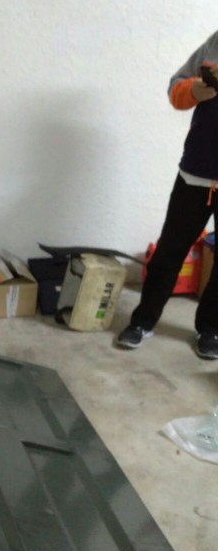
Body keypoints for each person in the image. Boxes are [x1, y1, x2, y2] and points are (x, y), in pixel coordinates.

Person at [117, 31, 218, 358]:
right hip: (196, 172)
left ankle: (211, 329)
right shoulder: (215, 42)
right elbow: (177, 87)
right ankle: (143, 321)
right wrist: (194, 91)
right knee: (169, 251)